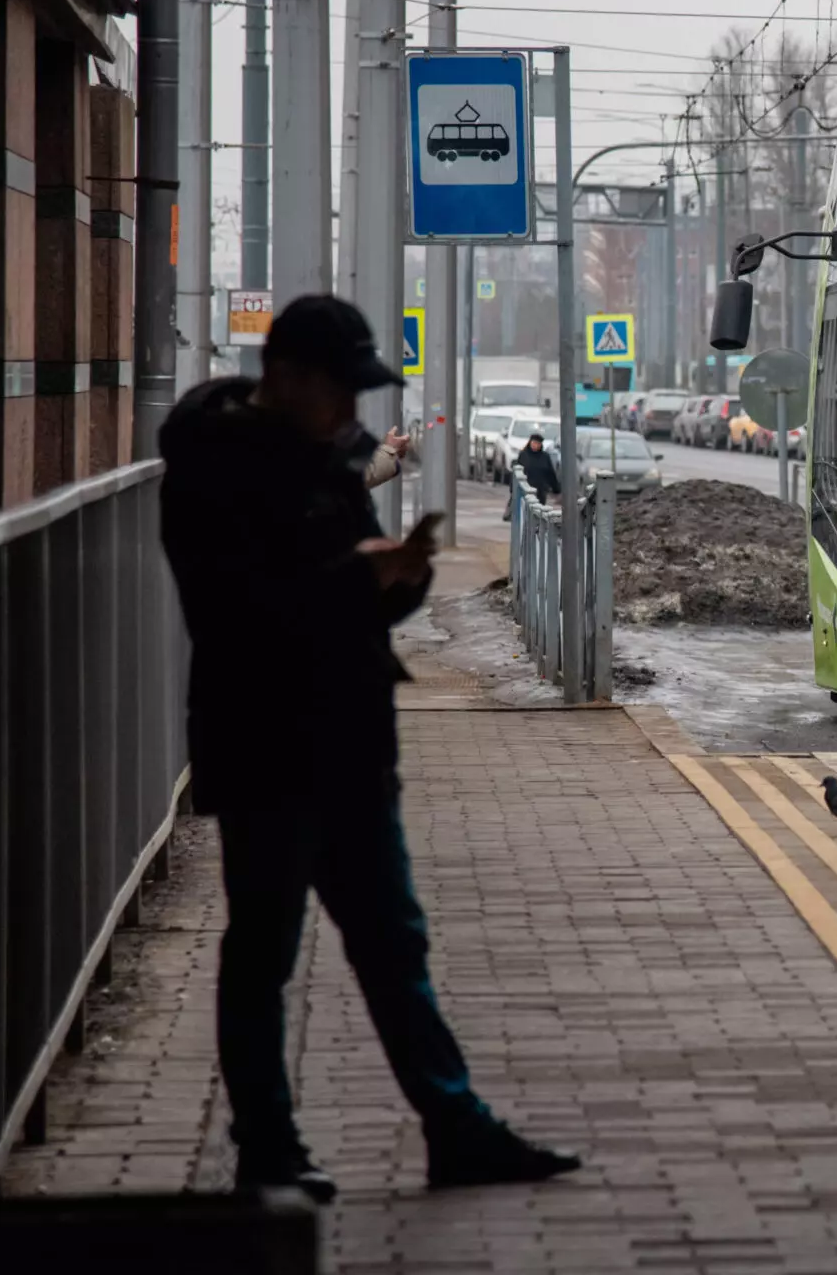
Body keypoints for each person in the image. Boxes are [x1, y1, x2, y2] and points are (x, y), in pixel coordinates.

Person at [158, 294, 580, 1203]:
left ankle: (456, 1127)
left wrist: (399, 578)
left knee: (394, 945)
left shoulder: (325, 458)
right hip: (266, 742)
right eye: (340, 391)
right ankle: (267, 1149)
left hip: (349, 742)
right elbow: (237, 610)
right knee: (263, 954)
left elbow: (353, 598)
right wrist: (360, 574)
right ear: (288, 379)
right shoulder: (214, 469)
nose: (354, 412)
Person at [515, 430, 561, 503]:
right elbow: (517, 472)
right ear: (530, 443)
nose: (535, 445)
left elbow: (550, 473)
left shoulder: (545, 456)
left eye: (538, 443)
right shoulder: (524, 455)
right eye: (534, 443)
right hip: (526, 490)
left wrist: (556, 488)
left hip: (540, 491)